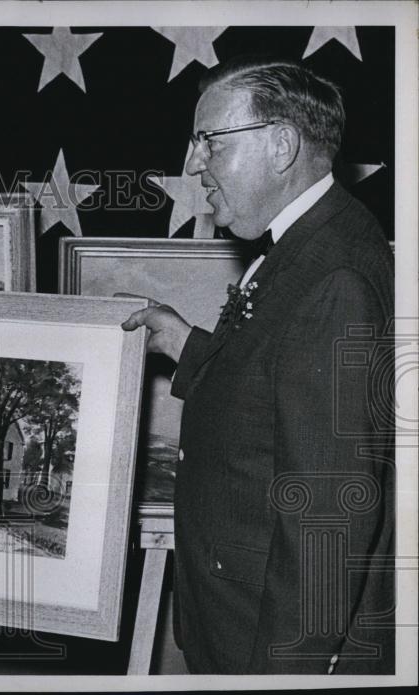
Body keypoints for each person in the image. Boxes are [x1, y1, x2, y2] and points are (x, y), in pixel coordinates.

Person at [122, 57, 395, 674]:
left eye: (209, 141)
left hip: (268, 641)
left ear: (281, 144)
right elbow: (279, 377)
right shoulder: (315, 240)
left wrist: (291, 669)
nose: (193, 164)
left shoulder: (333, 276)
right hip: (240, 610)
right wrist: (183, 342)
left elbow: (330, 508)